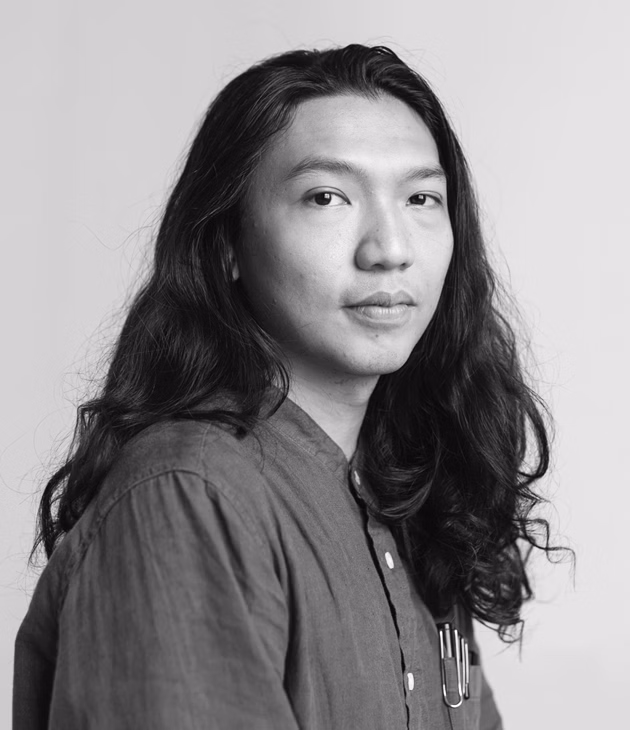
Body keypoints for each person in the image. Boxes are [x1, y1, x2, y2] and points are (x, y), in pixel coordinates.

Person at [13, 44, 557, 729]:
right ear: (227, 244)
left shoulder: (406, 496)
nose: (390, 249)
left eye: (421, 198)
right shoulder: (191, 495)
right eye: (327, 198)